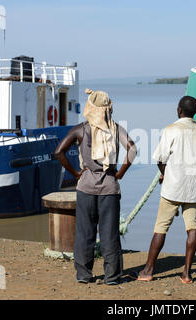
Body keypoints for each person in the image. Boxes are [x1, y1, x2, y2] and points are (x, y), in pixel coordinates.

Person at [55, 88, 137, 285]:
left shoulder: (80, 129)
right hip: (109, 186)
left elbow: (59, 152)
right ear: (108, 109)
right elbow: (132, 148)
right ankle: (112, 277)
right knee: (110, 234)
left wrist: (75, 173)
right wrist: (120, 173)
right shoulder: (116, 129)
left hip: (85, 187)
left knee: (84, 232)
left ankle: (83, 275)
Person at [137, 96, 196, 284]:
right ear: (195, 112)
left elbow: (160, 158)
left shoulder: (172, 130)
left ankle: (148, 270)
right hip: (194, 186)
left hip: (174, 186)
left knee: (161, 228)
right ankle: (186, 273)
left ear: (179, 110)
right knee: (192, 227)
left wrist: (164, 174)